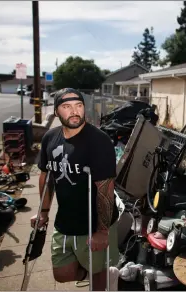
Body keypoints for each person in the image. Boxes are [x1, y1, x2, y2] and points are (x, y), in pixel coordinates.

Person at [30, 88, 119, 290]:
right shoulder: (50, 138)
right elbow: (46, 176)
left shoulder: (99, 141)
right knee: (62, 274)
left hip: (93, 223)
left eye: (78, 106)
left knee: (98, 282)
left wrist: (102, 232)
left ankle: (106, 275)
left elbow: (105, 189)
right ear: (56, 112)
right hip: (64, 221)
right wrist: (43, 212)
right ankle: (100, 272)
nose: (74, 111)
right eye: (67, 107)